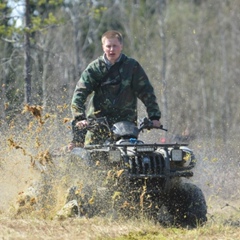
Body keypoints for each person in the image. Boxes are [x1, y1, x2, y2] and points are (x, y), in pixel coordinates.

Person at [69, 30, 161, 150]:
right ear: (103, 47)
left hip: (126, 127)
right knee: (90, 158)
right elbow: (80, 94)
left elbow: (146, 91)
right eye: (108, 46)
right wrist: (80, 118)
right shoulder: (94, 69)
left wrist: (154, 117)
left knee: (134, 159)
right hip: (98, 125)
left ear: (121, 46)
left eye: (115, 46)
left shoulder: (132, 66)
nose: (111, 49)